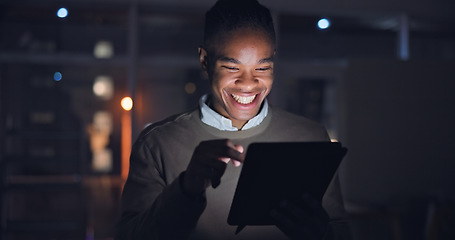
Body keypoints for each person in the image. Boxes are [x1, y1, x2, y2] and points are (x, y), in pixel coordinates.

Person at [115, 0, 351, 239]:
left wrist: (322, 234)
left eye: (262, 68)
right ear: (205, 61)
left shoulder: (311, 137)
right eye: (231, 67)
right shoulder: (157, 143)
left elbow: (340, 230)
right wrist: (186, 189)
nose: (248, 84)